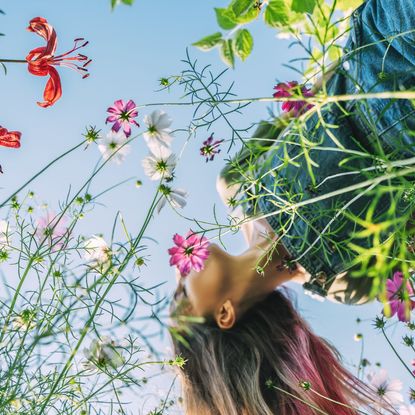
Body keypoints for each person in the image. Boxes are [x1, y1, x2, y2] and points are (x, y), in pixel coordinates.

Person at [170, 0, 414, 413]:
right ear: (225, 313)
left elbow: (305, 96)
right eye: (182, 297)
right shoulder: (342, 285)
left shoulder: (236, 185)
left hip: (382, 42)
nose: (177, 273)